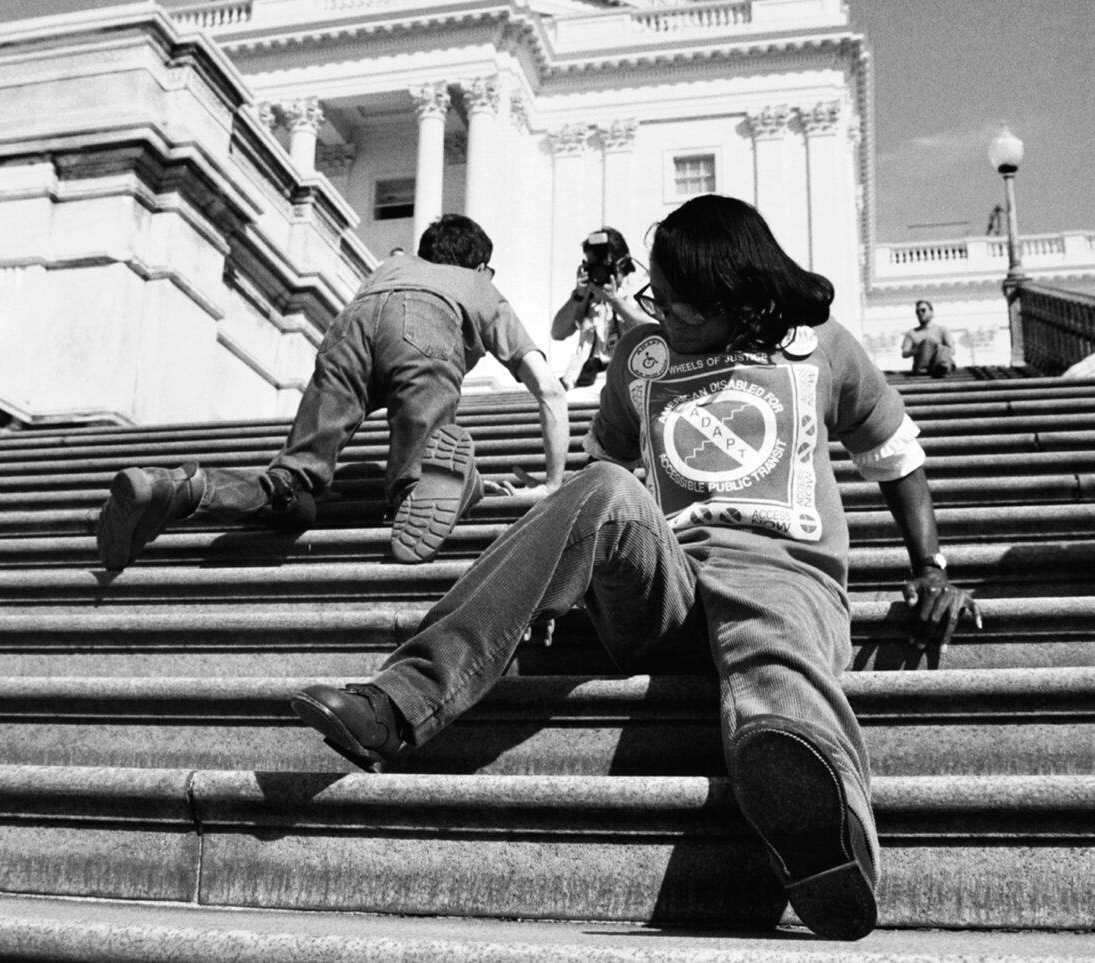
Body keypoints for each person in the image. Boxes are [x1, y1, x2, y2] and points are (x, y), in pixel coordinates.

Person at [291, 195, 982, 941]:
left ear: (742, 300)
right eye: (656, 295)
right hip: (669, 586)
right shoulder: (640, 357)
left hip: (783, 573)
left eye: (683, 306)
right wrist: (554, 583)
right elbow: (602, 482)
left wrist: (932, 568)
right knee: (604, 486)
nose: (662, 314)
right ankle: (400, 700)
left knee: (778, 663)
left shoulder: (817, 349)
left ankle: (824, 838)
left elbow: (898, 458)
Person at [97, 214, 569, 569]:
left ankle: (174, 487)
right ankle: (437, 483)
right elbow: (549, 391)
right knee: (418, 475)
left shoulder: (390, 269)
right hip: (427, 329)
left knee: (290, 488)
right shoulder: (477, 285)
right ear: (484, 267)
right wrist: (552, 483)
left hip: (350, 328)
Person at [551, 227, 653, 390]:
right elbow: (557, 332)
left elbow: (653, 330)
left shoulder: (640, 290)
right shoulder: (587, 295)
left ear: (622, 263)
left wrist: (615, 301)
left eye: (604, 265)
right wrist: (578, 296)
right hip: (586, 379)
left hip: (628, 380)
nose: (598, 271)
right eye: (592, 265)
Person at [901, 300, 956, 377]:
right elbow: (904, 353)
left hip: (939, 363)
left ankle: (941, 366)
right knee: (926, 343)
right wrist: (918, 349)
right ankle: (941, 365)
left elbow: (952, 350)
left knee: (942, 349)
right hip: (922, 367)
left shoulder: (942, 330)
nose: (920, 313)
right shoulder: (911, 333)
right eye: (917, 312)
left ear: (931, 312)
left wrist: (937, 348)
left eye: (923, 310)